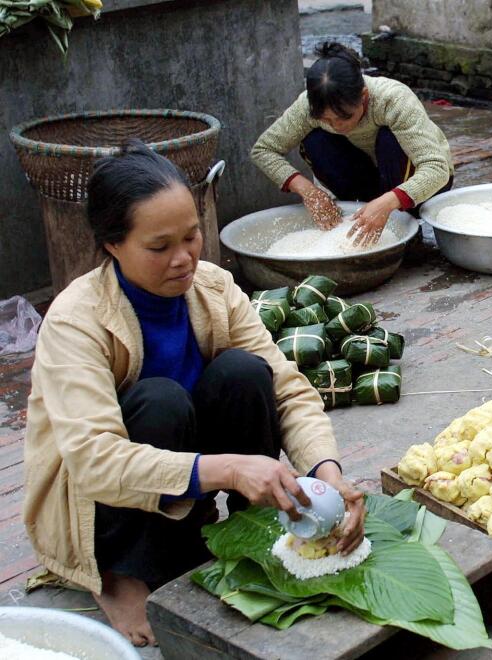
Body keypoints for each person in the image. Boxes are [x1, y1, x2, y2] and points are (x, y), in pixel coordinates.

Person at [23, 141, 365, 647]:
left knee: (244, 372)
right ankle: (122, 573)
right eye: (160, 247)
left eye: (192, 236)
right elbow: (95, 459)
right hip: (105, 502)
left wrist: (326, 473)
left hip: (185, 470)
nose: (183, 258)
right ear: (113, 244)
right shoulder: (77, 320)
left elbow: (288, 389)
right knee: (159, 399)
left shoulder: (214, 288)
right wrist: (229, 467)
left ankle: (253, 526)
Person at [251, 41, 454, 246]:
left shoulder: (392, 99)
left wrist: (388, 202)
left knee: (387, 138)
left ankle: (405, 225)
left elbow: (437, 169)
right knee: (315, 140)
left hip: (423, 185)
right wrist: (307, 190)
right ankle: (363, 210)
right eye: (327, 120)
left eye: (344, 117)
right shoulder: (306, 108)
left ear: (364, 96)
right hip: (370, 180)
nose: (337, 126)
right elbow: (264, 149)